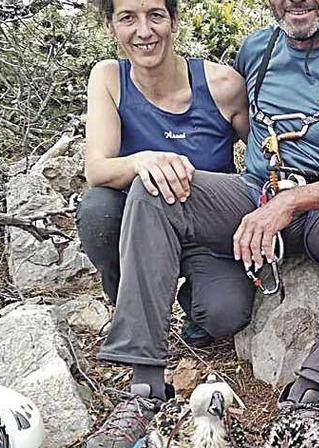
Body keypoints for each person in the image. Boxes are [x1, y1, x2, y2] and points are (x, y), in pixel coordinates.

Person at [77, 0, 319, 448]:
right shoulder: (255, 51)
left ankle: (309, 393)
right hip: (254, 193)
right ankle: (144, 386)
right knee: (154, 187)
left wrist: (290, 203)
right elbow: (237, 130)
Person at [77, 0, 249, 349]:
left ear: (174, 20)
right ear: (110, 25)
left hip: (207, 232)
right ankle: (126, 302)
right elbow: (97, 169)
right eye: (127, 18)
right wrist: (144, 161)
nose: (144, 31)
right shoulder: (109, 78)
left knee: (226, 315)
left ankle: (195, 305)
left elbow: (264, 162)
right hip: (139, 227)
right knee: (98, 209)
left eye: (155, 16)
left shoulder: (223, 85)